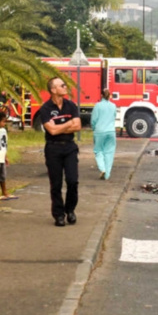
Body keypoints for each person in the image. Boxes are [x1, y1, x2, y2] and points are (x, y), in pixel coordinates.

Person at [37, 77, 81, 227]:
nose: (65, 87)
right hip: (53, 148)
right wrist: (68, 123)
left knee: (72, 180)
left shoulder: (71, 106)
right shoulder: (46, 109)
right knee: (56, 184)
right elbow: (52, 131)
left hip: (69, 147)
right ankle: (59, 215)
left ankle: (70, 210)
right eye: (62, 85)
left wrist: (60, 126)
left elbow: (78, 126)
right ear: (53, 90)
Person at [91, 89, 117, 180]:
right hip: (111, 131)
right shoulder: (113, 106)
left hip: (100, 131)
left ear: (101, 95)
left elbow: (94, 120)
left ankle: (102, 169)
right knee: (109, 152)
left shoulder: (97, 106)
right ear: (109, 96)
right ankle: (107, 174)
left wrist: (94, 128)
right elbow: (114, 117)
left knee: (98, 151)